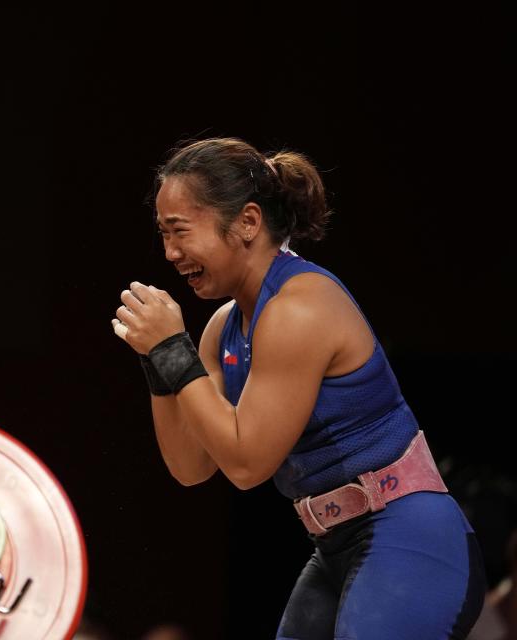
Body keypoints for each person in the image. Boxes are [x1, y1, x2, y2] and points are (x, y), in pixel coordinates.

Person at [111, 137, 486, 638]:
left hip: (410, 539)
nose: (170, 252)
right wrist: (160, 361)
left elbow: (246, 465)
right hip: (337, 547)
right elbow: (191, 466)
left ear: (247, 222)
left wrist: (174, 350)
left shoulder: (298, 306)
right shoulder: (223, 327)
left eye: (180, 231)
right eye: (163, 234)